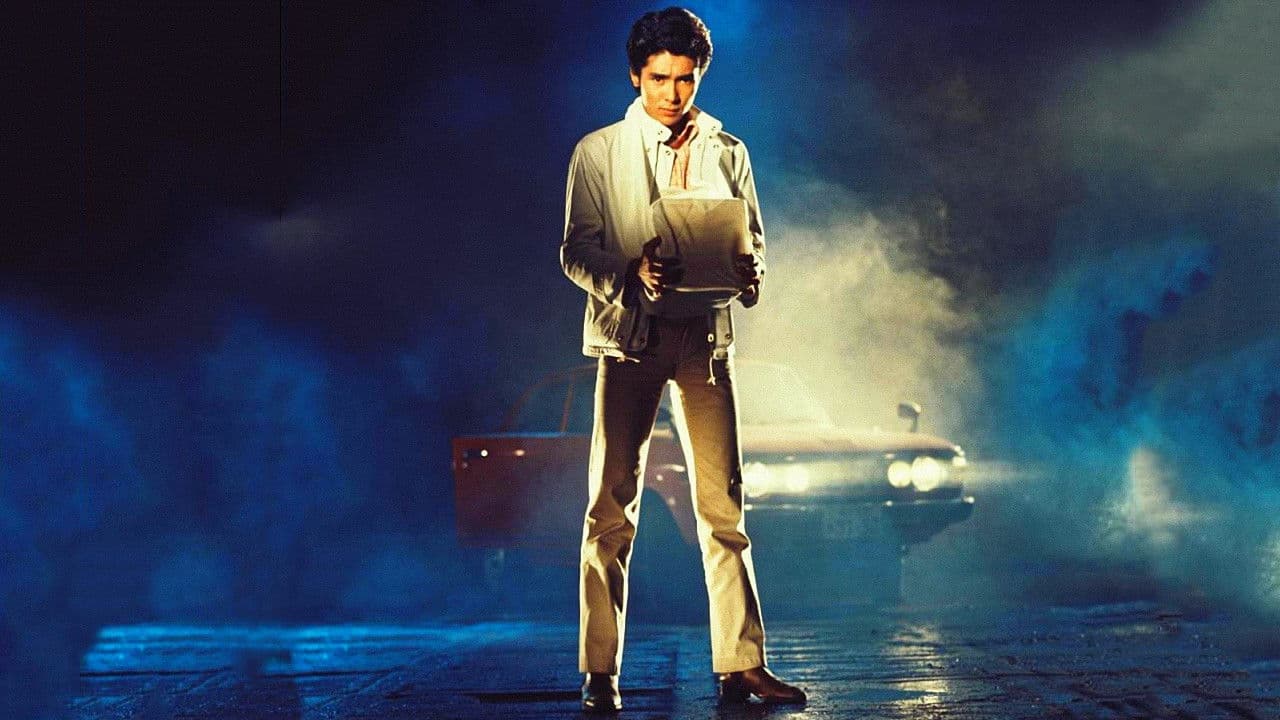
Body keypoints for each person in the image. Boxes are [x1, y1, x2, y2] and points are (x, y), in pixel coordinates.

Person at [560, 7, 806, 712]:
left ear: (699, 76)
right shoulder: (598, 152)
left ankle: (741, 665)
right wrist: (629, 275)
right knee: (610, 510)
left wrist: (751, 274)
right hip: (629, 340)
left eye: (685, 79)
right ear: (635, 76)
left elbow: (753, 240)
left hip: (704, 339)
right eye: (659, 78)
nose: (672, 92)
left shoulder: (729, 149)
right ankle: (600, 672)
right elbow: (574, 251)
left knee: (724, 509)